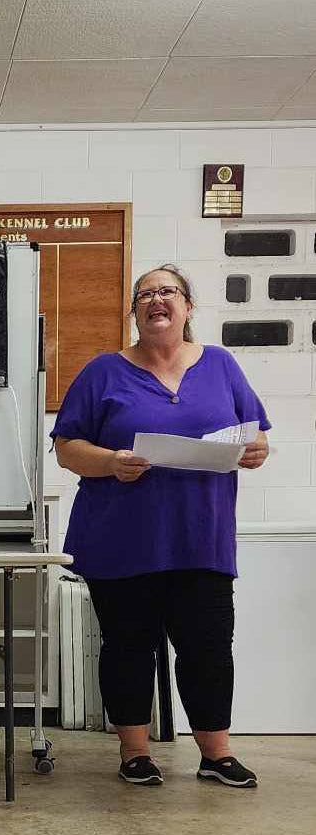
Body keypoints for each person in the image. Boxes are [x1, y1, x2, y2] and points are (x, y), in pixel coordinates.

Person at [52, 264, 269, 788]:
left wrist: (257, 449)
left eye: (167, 291)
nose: (156, 300)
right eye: (144, 295)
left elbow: (255, 435)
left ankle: (216, 754)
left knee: (209, 647)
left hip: (202, 537)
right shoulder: (103, 371)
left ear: (188, 307)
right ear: (135, 313)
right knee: (129, 645)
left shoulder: (220, 365)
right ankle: (134, 752)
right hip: (122, 540)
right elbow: (66, 447)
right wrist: (110, 462)